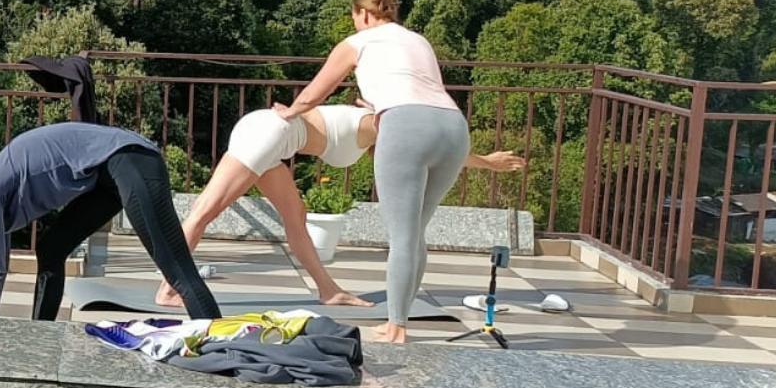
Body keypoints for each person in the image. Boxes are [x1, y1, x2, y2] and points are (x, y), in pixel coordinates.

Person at [156, 103, 527, 309]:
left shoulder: (375, 122)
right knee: (204, 210)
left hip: (274, 142)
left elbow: (422, 146)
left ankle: (327, 290)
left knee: (295, 217)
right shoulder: (378, 123)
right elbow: (432, 148)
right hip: (268, 133)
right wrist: (486, 161)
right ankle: (169, 288)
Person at [276, 0, 468, 343]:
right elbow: (420, 89)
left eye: (354, 17)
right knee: (416, 233)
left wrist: (291, 112)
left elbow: (319, 90)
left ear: (363, 14)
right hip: (454, 127)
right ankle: (400, 318)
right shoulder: (418, 40)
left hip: (406, 126)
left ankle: (396, 329)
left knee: (403, 235)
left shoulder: (358, 43)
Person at [0, 123, 218, 322]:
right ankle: (42, 334)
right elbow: (1, 251)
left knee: (176, 268)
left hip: (132, 160)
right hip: (106, 177)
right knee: (52, 247)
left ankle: (222, 351)